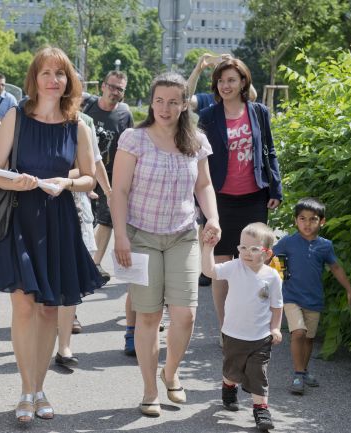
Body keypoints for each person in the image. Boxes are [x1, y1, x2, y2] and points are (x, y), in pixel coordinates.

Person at [0, 47, 104, 424]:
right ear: (34, 79)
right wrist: (16, 182)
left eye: (60, 73)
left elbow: (88, 177)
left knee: (50, 309)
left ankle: (39, 388)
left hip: (58, 221)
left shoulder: (78, 126)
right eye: (46, 73)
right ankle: (25, 391)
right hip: (20, 219)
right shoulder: (15, 117)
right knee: (24, 306)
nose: (54, 79)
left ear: (68, 80)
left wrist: (66, 183)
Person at [111, 72, 220, 417]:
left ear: (184, 104)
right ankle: (149, 390)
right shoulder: (134, 138)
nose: (165, 107)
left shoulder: (197, 141)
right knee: (149, 315)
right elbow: (120, 192)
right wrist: (121, 236)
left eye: (173, 101)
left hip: (183, 235)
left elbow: (203, 185)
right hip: (141, 235)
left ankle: (170, 372)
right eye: (159, 100)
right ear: (151, 102)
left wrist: (213, 218)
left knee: (185, 315)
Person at [198, 58, 283, 343]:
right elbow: (200, 158)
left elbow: (269, 151)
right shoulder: (209, 116)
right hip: (220, 200)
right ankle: (226, 329)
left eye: (231, 80)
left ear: (243, 82)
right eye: (221, 81)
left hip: (253, 197)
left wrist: (275, 189)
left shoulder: (258, 112)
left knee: (253, 261)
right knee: (222, 266)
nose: (226, 85)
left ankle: (255, 324)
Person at [201, 222, 283, 431]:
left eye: (254, 249)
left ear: (268, 253)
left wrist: (275, 328)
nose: (246, 253)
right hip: (233, 334)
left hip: (261, 337)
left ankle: (261, 410)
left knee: (258, 373)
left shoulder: (272, 276)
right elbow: (209, 271)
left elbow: (277, 305)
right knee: (232, 371)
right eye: (242, 247)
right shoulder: (234, 266)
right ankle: (229, 386)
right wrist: (208, 248)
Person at [272, 198, 351, 395]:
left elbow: (335, 267)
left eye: (313, 219)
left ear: (322, 221)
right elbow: (270, 258)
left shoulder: (325, 246)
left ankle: (303, 370)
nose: (307, 223)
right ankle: (297, 375)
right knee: (298, 332)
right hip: (291, 296)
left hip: (314, 299)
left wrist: (349, 289)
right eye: (302, 218)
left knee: (309, 339)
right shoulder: (288, 241)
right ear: (295, 221)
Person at [82, 70, 136, 355]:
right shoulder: (87, 107)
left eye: (121, 90)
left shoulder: (125, 115)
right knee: (80, 233)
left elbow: (130, 145)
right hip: (80, 178)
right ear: (103, 86)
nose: (116, 93)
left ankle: (93, 265)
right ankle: (75, 301)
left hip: (111, 180)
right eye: (112, 87)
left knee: (105, 224)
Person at [55, 112, 101, 368]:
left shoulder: (82, 123)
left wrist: (106, 189)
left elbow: (93, 165)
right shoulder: (26, 116)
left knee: (69, 278)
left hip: (73, 203)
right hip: (36, 205)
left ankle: (64, 346)